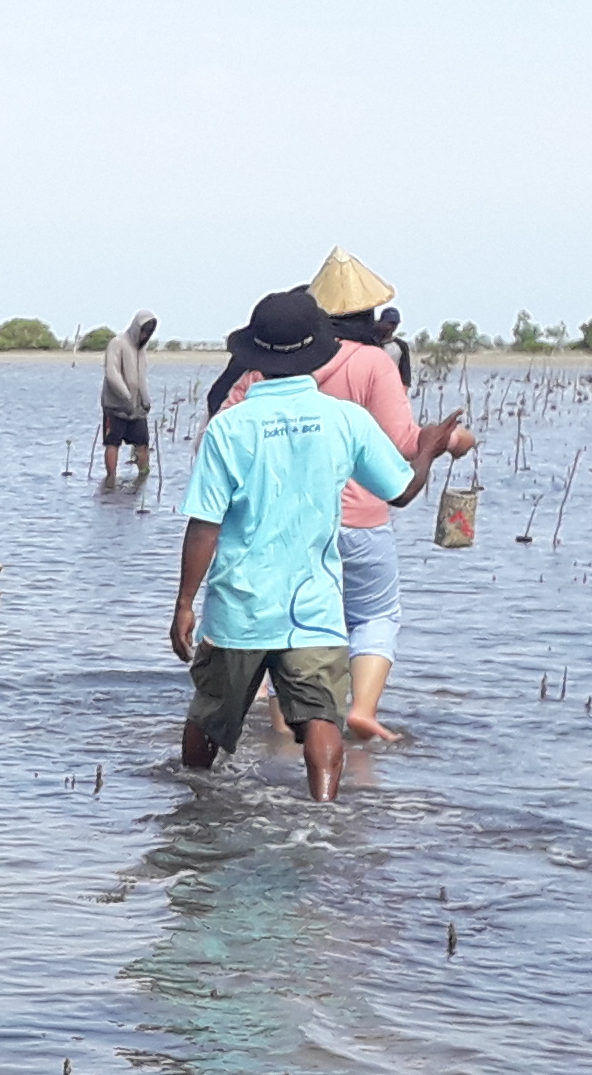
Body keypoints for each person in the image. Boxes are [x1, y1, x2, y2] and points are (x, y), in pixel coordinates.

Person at [171, 286, 471, 800]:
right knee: (321, 721)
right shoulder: (344, 420)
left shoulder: (229, 427)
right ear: (320, 348)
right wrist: (427, 450)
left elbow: (204, 524)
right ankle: (323, 818)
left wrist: (183, 604)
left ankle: (195, 802)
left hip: (241, 608)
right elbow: (401, 491)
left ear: (254, 354)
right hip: (314, 609)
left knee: (208, 718)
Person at [301, 249, 439, 743]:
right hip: (362, 520)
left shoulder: (292, 364)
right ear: (370, 315)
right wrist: (444, 442)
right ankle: (361, 708)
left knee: (301, 618)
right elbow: (403, 440)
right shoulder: (375, 363)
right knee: (376, 614)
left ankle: (284, 723)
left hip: (300, 520)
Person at [97, 311, 157, 487]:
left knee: (142, 443)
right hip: (115, 405)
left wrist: (145, 400)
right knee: (112, 442)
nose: (146, 335)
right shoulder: (118, 343)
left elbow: (141, 378)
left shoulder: (141, 350)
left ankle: (143, 477)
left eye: (149, 332)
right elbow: (112, 373)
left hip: (137, 408)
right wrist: (127, 396)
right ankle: (110, 479)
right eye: (144, 331)